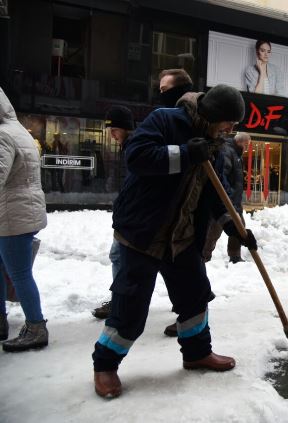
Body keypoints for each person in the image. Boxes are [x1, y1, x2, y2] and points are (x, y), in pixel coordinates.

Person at [91, 85, 257, 398]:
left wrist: (235, 228)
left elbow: (215, 193)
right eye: (229, 122)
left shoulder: (215, 145)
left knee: (195, 296)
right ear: (211, 114)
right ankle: (105, 365)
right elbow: (137, 157)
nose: (231, 130)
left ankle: (196, 353)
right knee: (131, 306)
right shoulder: (165, 120)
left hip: (181, 238)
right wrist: (184, 153)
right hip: (143, 234)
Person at [0, 87, 49, 352]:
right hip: (16, 212)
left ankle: (36, 327)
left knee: (19, 274)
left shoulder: (2, 135)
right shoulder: (17, 131)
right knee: (9, 271)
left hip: (13, 216)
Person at [92, 106, 136, 320]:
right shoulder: (127, 146)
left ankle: (121, 302)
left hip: (135, 218)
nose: (111, 134)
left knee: (121, 256)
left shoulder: (135, 147)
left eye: (115, 129)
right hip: (128, 216)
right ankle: (120, 300)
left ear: (126, 128)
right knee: (120, 256)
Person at [202, 132, 250, 265]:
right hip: (225, 201)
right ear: (240, 142)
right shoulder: (228, 151)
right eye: (246, 144)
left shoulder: (236, 154)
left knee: (240, 228)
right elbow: (222, 176)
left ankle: (235, 256)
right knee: (214, 231)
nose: (247, 147)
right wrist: (227, 198)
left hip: (234, 201)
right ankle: (204, 256)